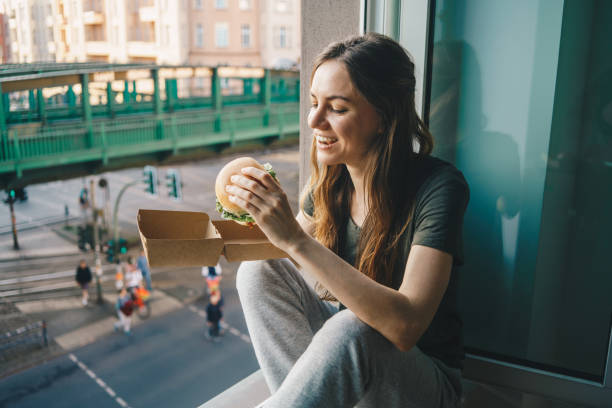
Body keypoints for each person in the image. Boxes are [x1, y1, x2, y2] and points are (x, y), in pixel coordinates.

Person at [231, 33, 470, 407]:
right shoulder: (331, 182)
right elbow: (276, 252)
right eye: (314, 103)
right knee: (258, 271)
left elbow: (405, 327)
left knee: (352, 326)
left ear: (384, 116)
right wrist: (249, 211)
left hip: (424, 386)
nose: (313, 120)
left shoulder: (439, 187)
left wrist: (296, 240)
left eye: (337, 108)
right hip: (362, 370)